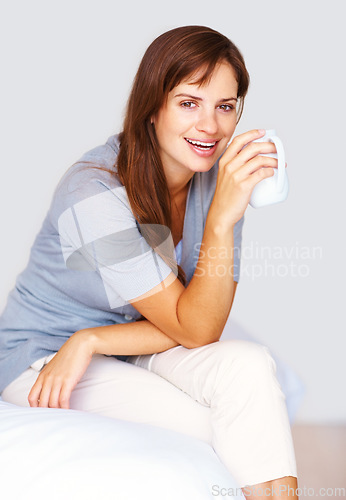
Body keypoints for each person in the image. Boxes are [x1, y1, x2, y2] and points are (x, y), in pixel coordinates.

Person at [0, 25, 298, 499]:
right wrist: (221, 221)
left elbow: (203, 322)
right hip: (44, 355)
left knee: (250, 367)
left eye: (225, 107)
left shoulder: (218, 180)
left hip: (132, 341)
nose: (210, 126)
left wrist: (94, 338)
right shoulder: (93, 194)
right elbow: (195, 325)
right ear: (152, 109)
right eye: (188, 103)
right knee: (221, 424)